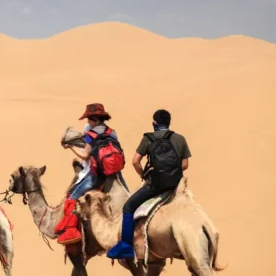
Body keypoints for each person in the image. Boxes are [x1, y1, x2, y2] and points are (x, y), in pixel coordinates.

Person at [107, 109, 191, 259]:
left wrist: (144, 175)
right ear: (169, 122)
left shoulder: (148, 139)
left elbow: (135, 162)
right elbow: (185, 165)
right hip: (175, 184)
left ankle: (126, 246)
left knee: (128, 207)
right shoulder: (180, 138)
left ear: (154, 123)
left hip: (156, 184)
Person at [56, 103, 125, 245]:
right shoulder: (112, 132)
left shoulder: (91, 135)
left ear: (94, 119)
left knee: (72, 196)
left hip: (97, 175)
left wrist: (71, 148)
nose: (88, 122)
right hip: (114, 172)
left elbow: (85, 156)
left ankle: (71, 231)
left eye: (88, 119)